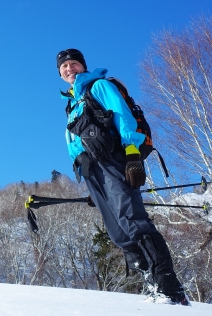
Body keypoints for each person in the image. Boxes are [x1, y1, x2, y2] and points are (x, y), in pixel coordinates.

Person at [56, 48, 188, 305]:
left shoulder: (100, 86)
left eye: (73, 64)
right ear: (60, 74)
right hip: (92, 171)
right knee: (118, 233)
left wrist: (132, 155)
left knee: (133, 220)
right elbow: (75, 144)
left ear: (83, 66)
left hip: (113, 160)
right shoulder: (72, 104)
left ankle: (170, 289)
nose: (69, 69)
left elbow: (122, 116)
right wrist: (92, 186)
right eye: (63, 67)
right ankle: (150, 285)